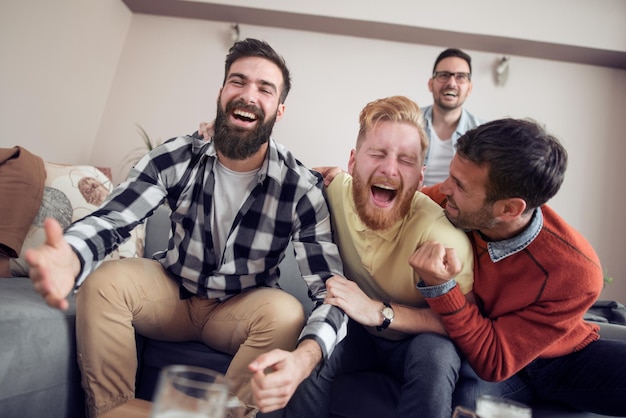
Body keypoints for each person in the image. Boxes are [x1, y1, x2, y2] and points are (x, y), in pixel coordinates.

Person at [25, 38, 348, 418]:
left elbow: (331, 291)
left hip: (238, 309)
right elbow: (114, 219)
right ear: (221, 92)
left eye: (264, 88)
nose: (248, 95)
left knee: (287, 313)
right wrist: (70, 254)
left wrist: (307, 357)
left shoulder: (299, 187)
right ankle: (112, 411)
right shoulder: (175, 156)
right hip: (172, 294)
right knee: (105, 280)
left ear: (279, 110)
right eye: (237, 81)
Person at [410, 118, 626, 415]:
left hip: (561, 361)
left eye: (459, 185)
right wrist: (337, 183)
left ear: (509, 209)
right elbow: (398, 204)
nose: (444, 188)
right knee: (469, 406)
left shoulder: (578, 272)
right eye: (451, 175)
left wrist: (442, 288)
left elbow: (496, 358)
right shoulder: (450, 203)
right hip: (490, 363)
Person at [284, 96, 475, 418]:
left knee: (436, 356)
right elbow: (267, 177)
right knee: (316, 345)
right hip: (355, 331)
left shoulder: (442, 237)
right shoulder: (328, 192)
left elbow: (463, 325)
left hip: (418, 340)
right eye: (378, 154)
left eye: (405, 160)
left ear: (420, 177)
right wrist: (210, 143)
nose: (389, 168)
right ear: (353, 161)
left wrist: (380, 312)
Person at [422, 48, 484, 186]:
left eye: (460, 77)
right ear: (431, 84)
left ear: (469, 88)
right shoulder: (407, 122)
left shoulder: (482, 133)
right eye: (444, 75)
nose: (451, 83)